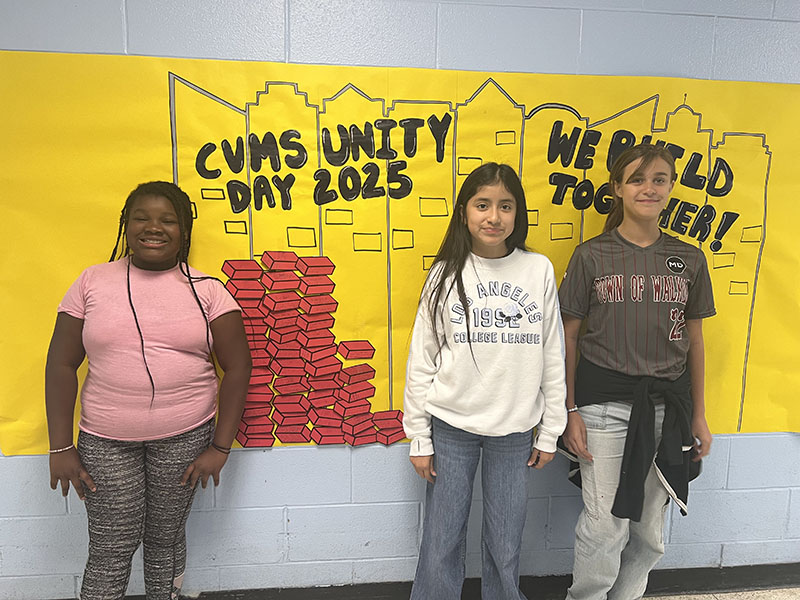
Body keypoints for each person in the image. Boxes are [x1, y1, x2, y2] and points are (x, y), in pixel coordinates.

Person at [45, 181, 251, 600]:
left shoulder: (208, 290)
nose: (153, 227)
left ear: (184, 229)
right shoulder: (91, 282)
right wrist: (60, 447)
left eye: (167, 219)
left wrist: (220, 447)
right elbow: (61, 363)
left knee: (165, 541)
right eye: (141, 217)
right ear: (126, 224)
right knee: (110, 547)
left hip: (185, 437)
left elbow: (238, 366)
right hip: (105, 441)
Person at [403, 162, 567, 600]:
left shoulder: (538, 270)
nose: (494, 217)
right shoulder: (443, 274)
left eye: (505, 206)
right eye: (482, 205)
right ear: (464, 212)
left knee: (505, 539)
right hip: (451, 428)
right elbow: (422, 360)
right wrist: (419, 437)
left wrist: (550, 431)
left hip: (515, 432)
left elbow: (553, 353)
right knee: (442, 538)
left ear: (518, 214)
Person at [558, 143, 715, 600]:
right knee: (604, 527)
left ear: (670, 186)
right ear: (618, 188)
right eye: (637, 179)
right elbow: (567, 336)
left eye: (659, 179)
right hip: (602, 407)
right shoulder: (591, 256)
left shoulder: (689, 258)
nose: (649, 188)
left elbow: (695, 341)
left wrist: (699, 416)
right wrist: (569, 410)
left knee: (650, 534)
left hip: (667, 410)